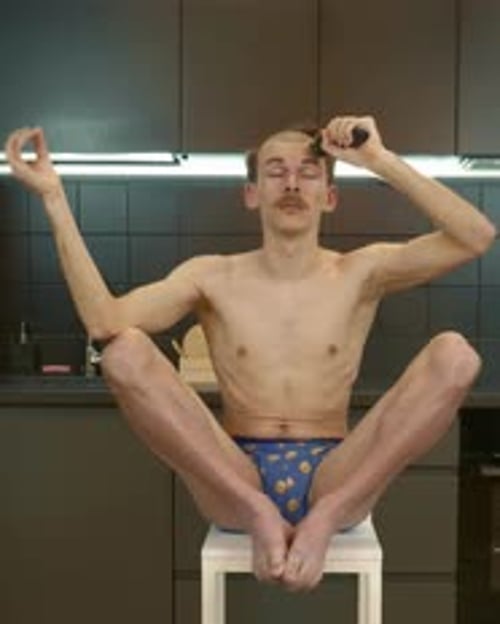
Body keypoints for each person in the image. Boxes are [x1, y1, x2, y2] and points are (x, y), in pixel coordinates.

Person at [5, 117, 496, 591]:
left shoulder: (361, 272)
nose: (291, 183)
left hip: (336, 474)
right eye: (275, 170)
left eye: (308, 172)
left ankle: (325, 516)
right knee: (124, 353)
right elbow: (104, 322)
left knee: (455, 355)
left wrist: (379, 158)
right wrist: (53, 197)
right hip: (234, 475)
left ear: (329, 197)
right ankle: (257, 509)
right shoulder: (211, 276)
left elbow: (476, 236)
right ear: (251, 193)